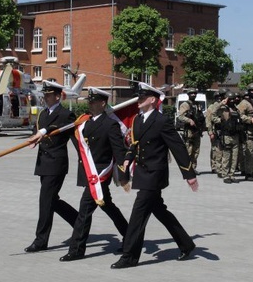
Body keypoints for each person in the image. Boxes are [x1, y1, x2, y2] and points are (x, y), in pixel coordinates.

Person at [111, 82, 198, 269]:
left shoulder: (161, 121)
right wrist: (128, 158)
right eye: (138, 97)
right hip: (142, 172)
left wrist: (188, 174)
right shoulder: (137, 120)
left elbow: (178, 147)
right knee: (160, 211)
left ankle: (129, 256)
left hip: (155, 174)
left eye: (142, 98)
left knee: (138, 214)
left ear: (152, 100)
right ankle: (186, 244)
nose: (139, 101)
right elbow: (134, 143)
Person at [60, 88, 130, 261]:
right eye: (89, 101)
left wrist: (123, 175)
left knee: (84, 210)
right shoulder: (86, 123)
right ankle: (130, 236)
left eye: (93, 101)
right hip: (88, 172)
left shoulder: (110, 124)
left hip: (100, 175)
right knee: (108, 206)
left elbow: (119, 151)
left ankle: (76, 249)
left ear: (103, 103)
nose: (89, 104)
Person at [23, 80, 79, 253]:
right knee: (52, 200)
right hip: (43, 163)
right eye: (44, 95)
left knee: (45, 201)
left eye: (48, 95)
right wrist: (33, 138)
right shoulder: (42, 114)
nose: (45, 98)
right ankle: (80, 222)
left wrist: (43, 132)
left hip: (56, 163)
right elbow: (37, 130)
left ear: (57, 96)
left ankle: (41, 240)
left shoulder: (66, 114)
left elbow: (63, 129)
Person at [176, 88, 204, 173]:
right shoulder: (185, 104)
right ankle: (186, 168)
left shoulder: (198, 104)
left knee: (196, 151)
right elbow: (180, 116)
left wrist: (202, 127)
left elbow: (201, 117)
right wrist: (189, 120)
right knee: (188, 151)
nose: (193, 95)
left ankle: (193, 168)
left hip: (197, 131)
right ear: (188, 95)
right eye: (191, 93)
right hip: (189, 131)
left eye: (195, 93)